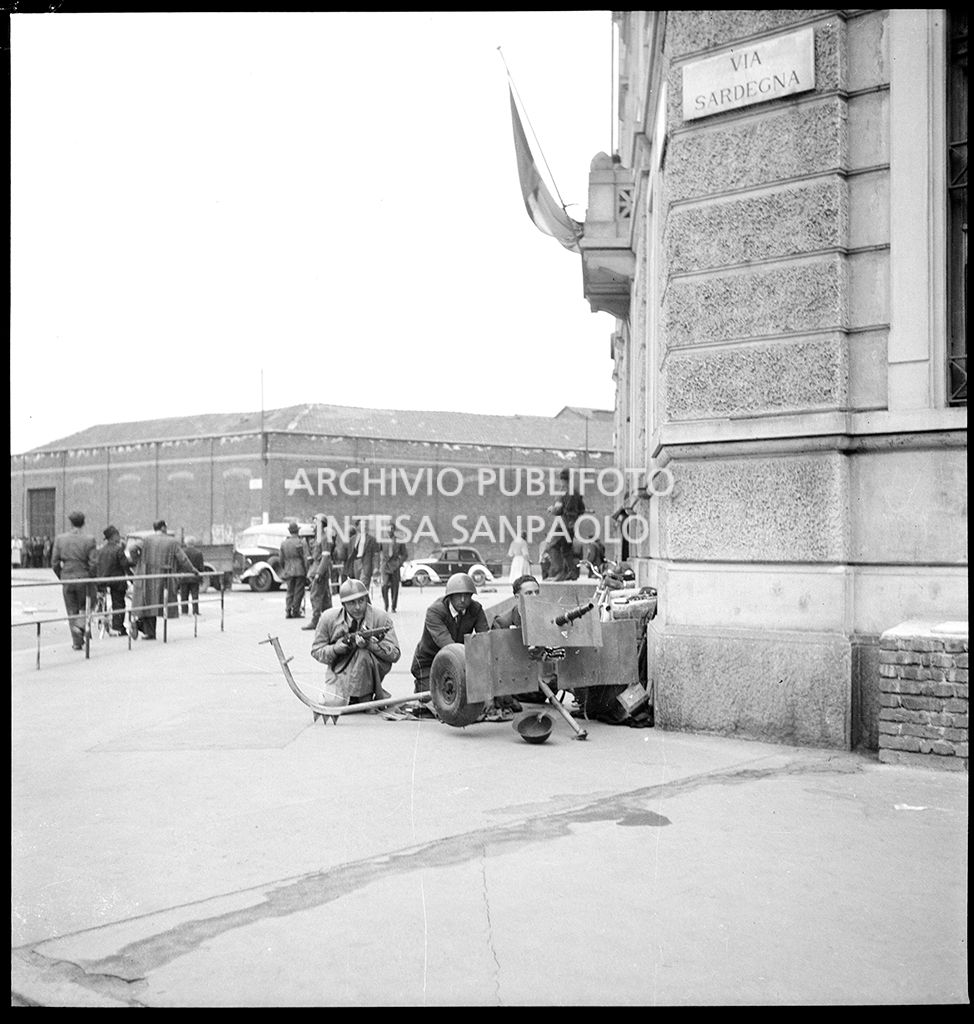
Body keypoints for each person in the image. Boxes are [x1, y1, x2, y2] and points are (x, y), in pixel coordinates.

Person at [410, 572, 488, 717]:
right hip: (429, 664)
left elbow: (484, 640)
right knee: (440, 704)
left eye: (467, 595)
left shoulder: (476, 609)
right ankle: (422, 689)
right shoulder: (435, 611)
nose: (463, 600)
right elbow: (447, 644)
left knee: (476, 703)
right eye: (458, 595)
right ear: (449, 596)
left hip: (460, 661)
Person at [311, 578, 400, 706]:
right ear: (343, 604)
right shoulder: (328, 618)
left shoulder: (381, 618)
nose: (358, 607)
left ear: (367, 599)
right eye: (352, 603)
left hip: (370, 669)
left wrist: (371, 645)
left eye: (361, 601)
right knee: (332, 703)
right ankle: (349, 696)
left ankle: (364, 696)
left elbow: (395, 654)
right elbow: (316, 651)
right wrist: (335, 649)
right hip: (340, 669)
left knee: (363, 653)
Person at [490, 573, 555, 708]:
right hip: (517, 678)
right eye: (529, 593)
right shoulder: (502, 622)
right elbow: (499, 659)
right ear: (517, 598)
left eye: (537, 592)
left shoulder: (547, 617)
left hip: (542, 672)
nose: (534, 597)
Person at [130, 519, 199, 639]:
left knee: (148, 603)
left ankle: (147, 630)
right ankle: (144, 628)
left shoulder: (146, 540)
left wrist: (138, 563)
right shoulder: (172, 542)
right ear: (162, 528)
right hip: (164, 577)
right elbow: (182, 559)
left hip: (147, 576)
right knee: (160, 603)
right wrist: (193, 570)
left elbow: (132, 549)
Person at [50, 511, 97, 650]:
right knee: (85, 606)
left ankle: (77, 642)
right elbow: (94, 563)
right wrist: (90, 576)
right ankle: (80, 627)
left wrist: (62, 576)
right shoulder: (89, 539)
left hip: (67, 578)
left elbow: (54, 562)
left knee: (71, 609)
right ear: (83, 523)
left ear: (70, 522)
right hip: (83, 577)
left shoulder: (60, 539)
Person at [546, 467, 585, 581]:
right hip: (572, 526)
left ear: (562, 479)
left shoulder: (563, 492)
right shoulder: (576, 492)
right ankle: (572, 573)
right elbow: (582, 509)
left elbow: (559, 510)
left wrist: (552, 509)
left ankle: (559, 572)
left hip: (563, 524)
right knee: (567, 550)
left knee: (552, 546)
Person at [95, 526, 131, 636]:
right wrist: (132, 577)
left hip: (103, 580)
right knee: (119, 604)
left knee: (103, 602)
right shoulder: (118, 549)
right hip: (116, 581)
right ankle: (118, 627)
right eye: (118, 535)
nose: (119, 537)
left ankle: (102, 621)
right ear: (114, 536)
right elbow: (125, 565)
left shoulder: (101, 550)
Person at [302, 520, 335, 631]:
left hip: (320, 571)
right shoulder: (319, 538)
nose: (313, 526)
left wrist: (319, 573)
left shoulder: (324, 538)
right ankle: (331, 621)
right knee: (325, 597)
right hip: (317, 568)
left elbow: (326, 557)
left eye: (315, 524)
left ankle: (315, 620)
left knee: (315, 595)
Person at [279, 521, 309, 620]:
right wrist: (307, 570)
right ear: (297, 530)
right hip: (300, 569)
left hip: (288, 569)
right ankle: (295, 611)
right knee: (298, 591)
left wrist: (285, 568)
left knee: (289, 590)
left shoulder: (284, 543)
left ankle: (288, 610)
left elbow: (281, 559)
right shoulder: (301, 542)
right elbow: (305, 558)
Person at [378, 527, 409, 613]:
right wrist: (378, 566)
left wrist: (399, 562)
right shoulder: (382, 540)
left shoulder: (399, 541)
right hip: (385, 566)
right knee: (384, 586)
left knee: (395, 587)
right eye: (388, 529)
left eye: (391, 529)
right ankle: (386, 605)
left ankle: (393, 607)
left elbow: (405, 554)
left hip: (395, 566)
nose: (389, 531)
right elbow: (377, 553)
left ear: (394, 530)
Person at [178, 535, 206, 617]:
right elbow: (201, 567)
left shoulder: (182, 552)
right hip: (194, 577)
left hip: (184, 577)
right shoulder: (198, 553)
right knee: (195, 595)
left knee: (184, 595)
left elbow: (179, 565)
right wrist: (200, 577)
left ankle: (184, 611)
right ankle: (195, 611)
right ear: (194, 543)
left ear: (186, 543)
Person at [352, 519, 378, 590]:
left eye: (365, 525)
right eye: (362, 525)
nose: (365, 527)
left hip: (366, 564)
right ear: (357, 527)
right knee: (358, 586)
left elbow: (375, 555)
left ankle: (364, 600)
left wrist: (375, 567)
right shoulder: (353, 539)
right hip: (356, 563)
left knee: (363, 586)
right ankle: (364, 600)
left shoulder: (372, 540)